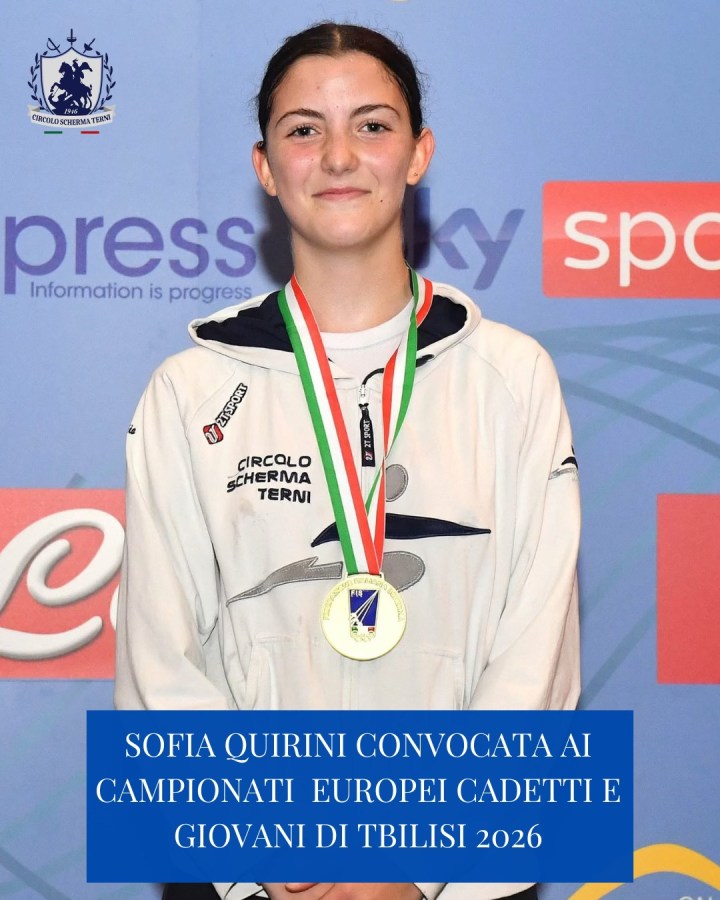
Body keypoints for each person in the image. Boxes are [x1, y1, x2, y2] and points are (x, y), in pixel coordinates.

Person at [115, 21, 580, 900]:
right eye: (303, 129)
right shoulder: (188, 388)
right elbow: (158, 659)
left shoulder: (512, 376)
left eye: (371, 125)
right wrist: (266, 848)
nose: (337, 156)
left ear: (417, 155)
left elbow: (537, 657)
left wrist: (416, 868)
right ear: (265, 167)